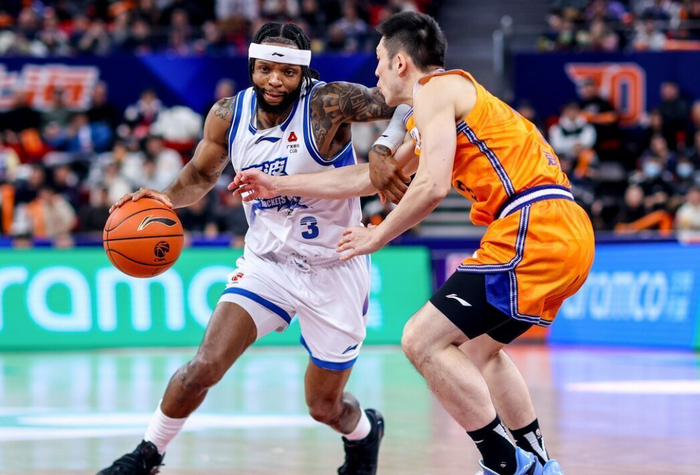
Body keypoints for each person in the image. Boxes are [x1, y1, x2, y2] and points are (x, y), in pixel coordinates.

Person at [233, 12, 594, 475]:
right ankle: (540, 463)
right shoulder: (437, 110)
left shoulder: (437, 90)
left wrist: (377, 235)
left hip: (534, 225)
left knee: (420, 340)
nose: (375, 71)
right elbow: (367, 179)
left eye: (379, 60)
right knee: (480, 352)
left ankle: (507, 464)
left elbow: (431, 186)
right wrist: (279, 183)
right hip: (563, 231)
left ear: (401, 63)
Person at [96, 22, 405, 475]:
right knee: (204, 366)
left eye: (287, 73)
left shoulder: (327, 102)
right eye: (264, 70)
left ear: (303, 73)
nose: (274, 81)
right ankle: (147, 454)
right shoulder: (228, 114)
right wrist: (164, 198)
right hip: (268, 265)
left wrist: (383, 146)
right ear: (252, 67)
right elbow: (200, 175)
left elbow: (410, 97)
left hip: (334, 266)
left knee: (323, 406)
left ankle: (364, 432)